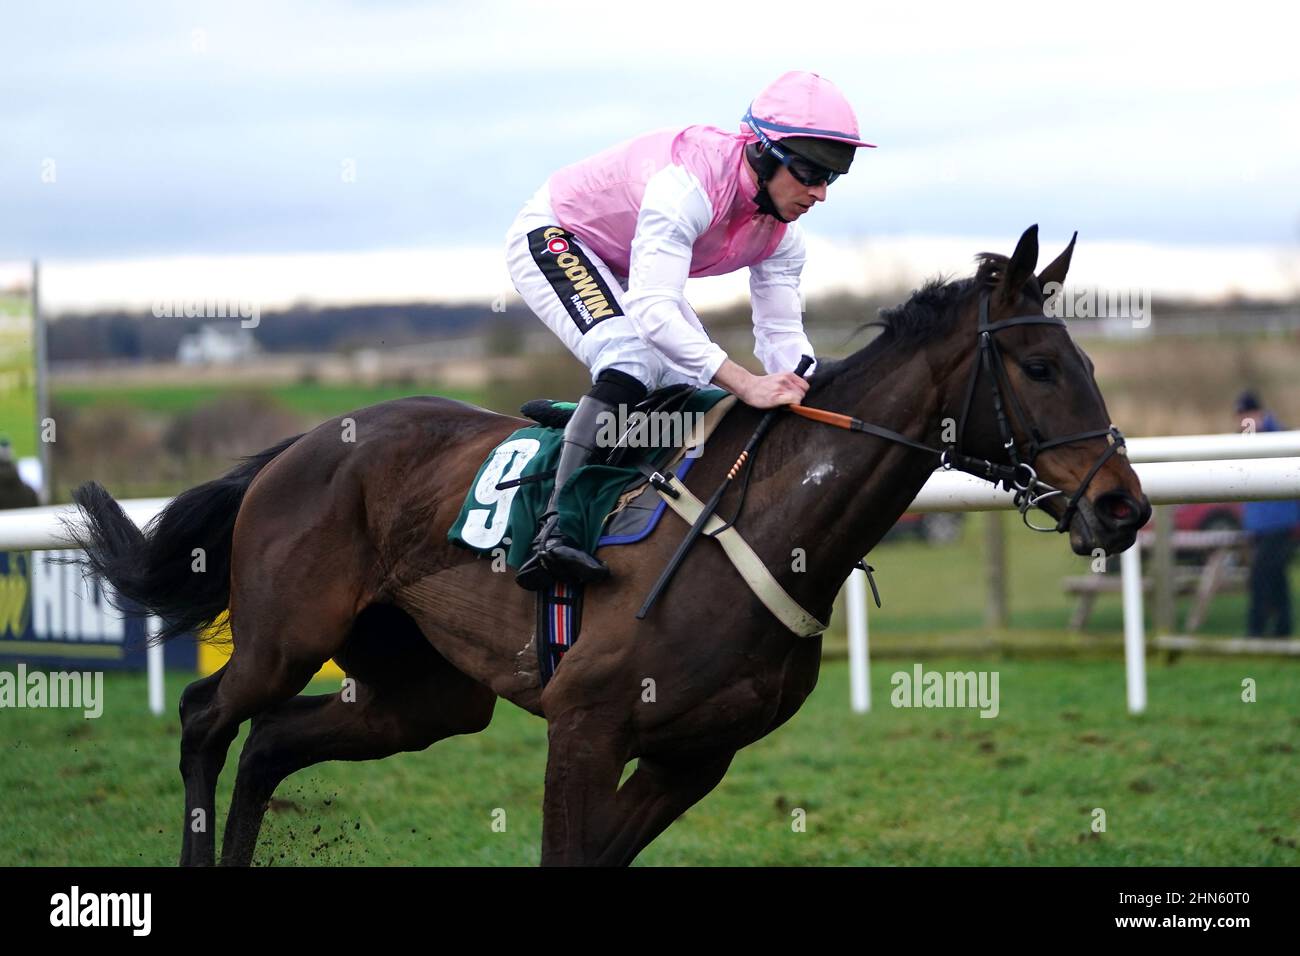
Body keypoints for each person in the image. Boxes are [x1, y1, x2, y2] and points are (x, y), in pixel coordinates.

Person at [504, 71, 874, 590]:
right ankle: (554, 530)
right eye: (810, 173)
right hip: (557, 233)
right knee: (632, 358)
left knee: (690, 388)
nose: (819, 193)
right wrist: (746, 384)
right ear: (763, 153)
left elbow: (782, 338)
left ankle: (582, 427)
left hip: (627, 262)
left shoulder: (783, 239)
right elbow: (655, 313)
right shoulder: (688, 188)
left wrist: (806, 391)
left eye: (831, 178)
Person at [1235, 391, 1299, 636]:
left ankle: (1256, 630)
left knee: (1262, 576)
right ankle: (1282, 628)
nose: (1243, 422)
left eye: (1246, 415)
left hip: (1280, 525)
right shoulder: (1245, 442)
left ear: (1259, 414)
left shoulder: (1280, 438)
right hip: (1259, 526)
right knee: (1276, 577)